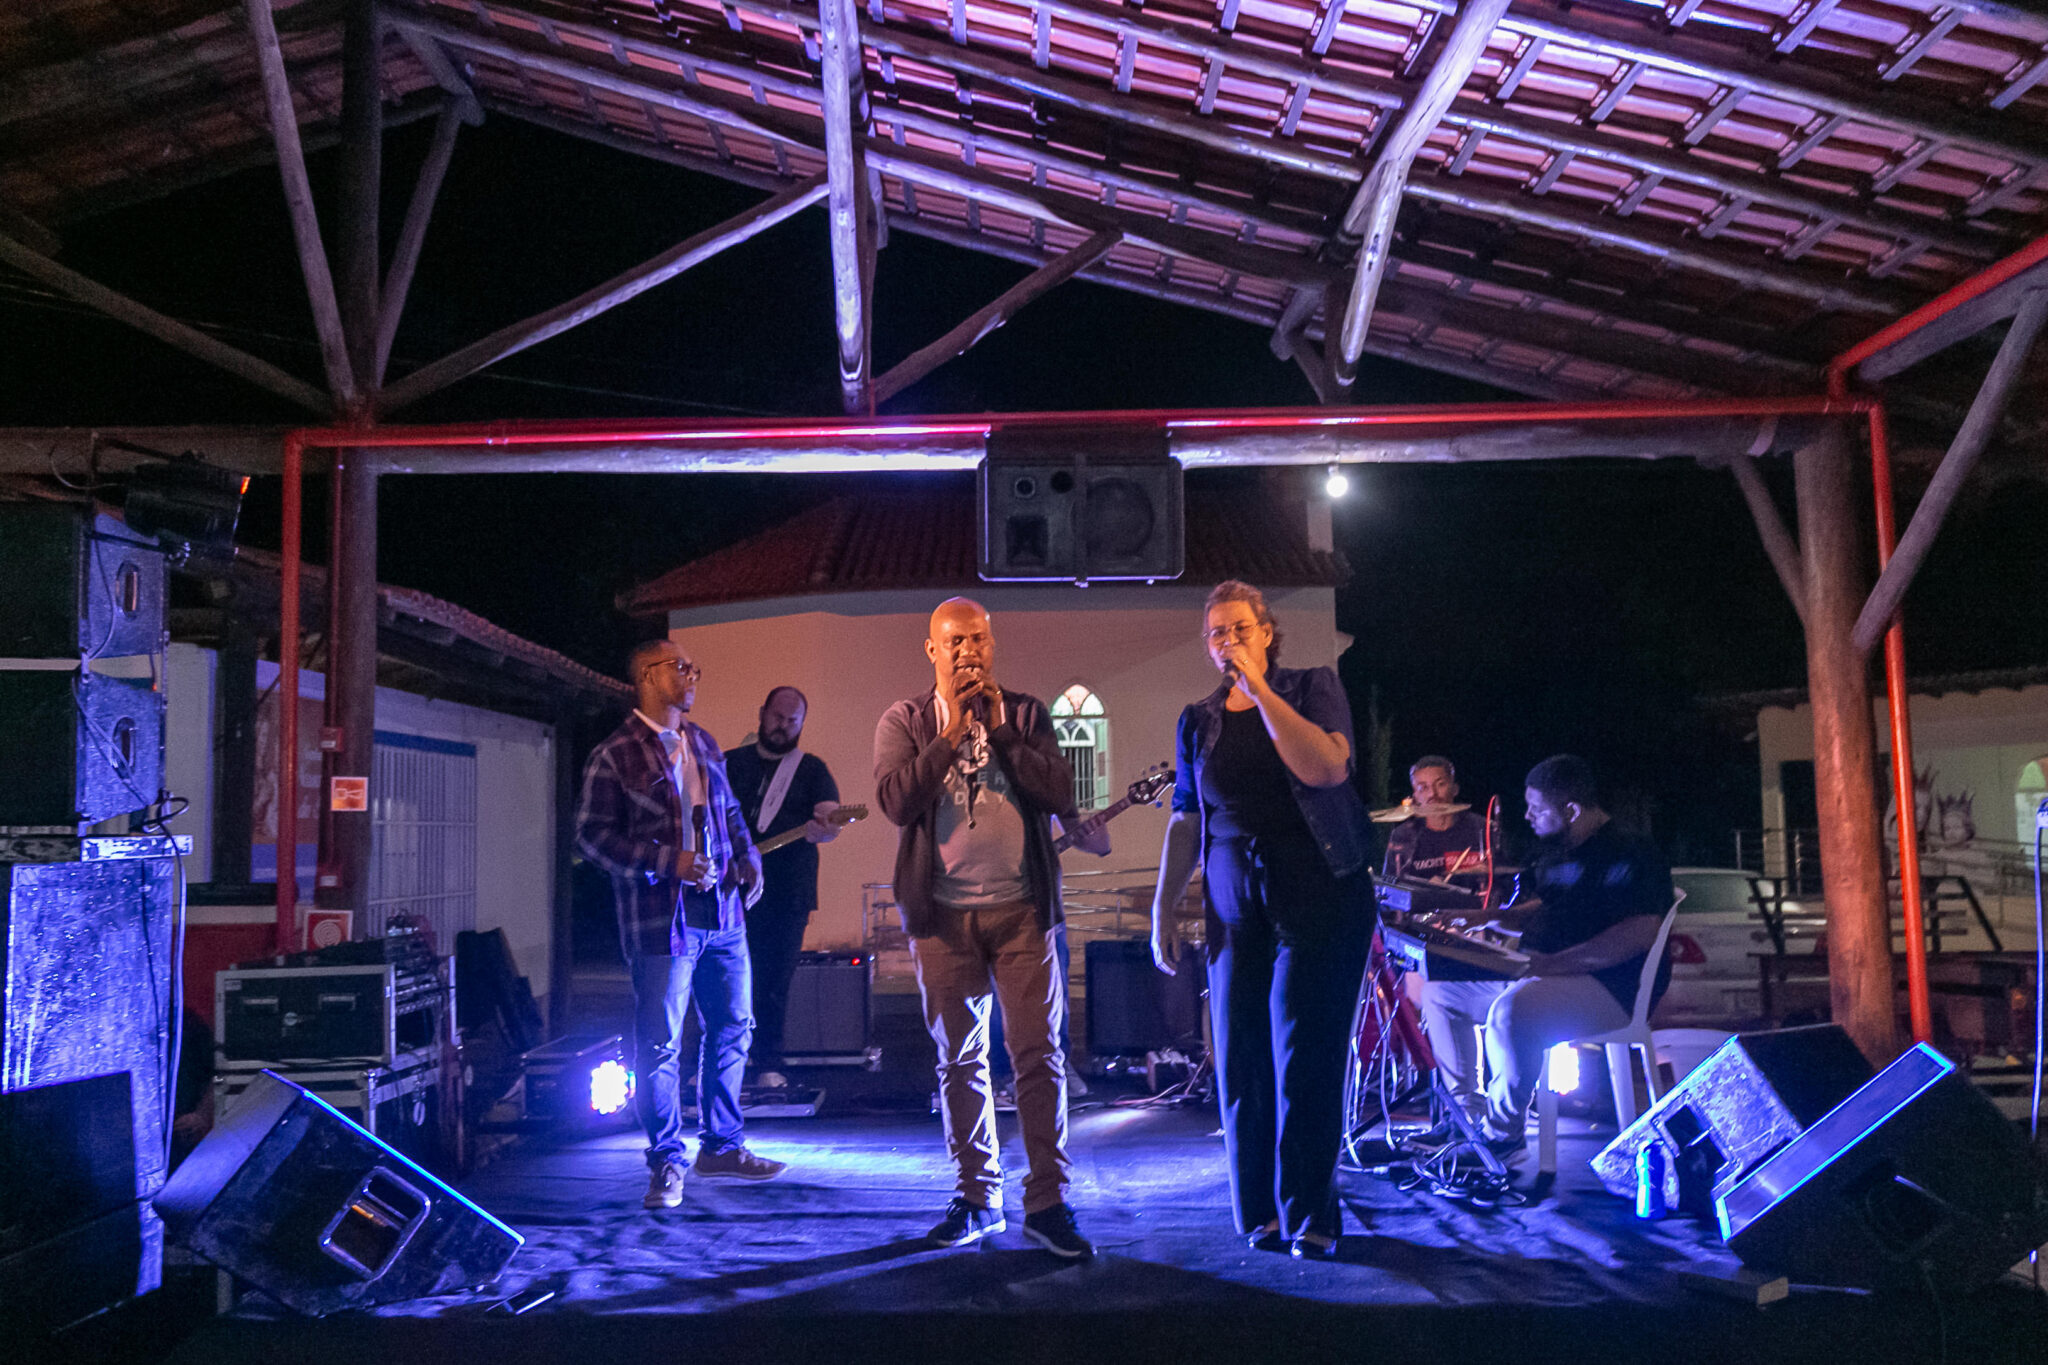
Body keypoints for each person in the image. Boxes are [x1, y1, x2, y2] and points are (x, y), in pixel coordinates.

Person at [1148, 580, 1374, 1260]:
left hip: (1316, 889)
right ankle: (1259, 1212)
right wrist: (1165, 902)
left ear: (1267, 632)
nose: (1228, 642)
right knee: (1243, 1055)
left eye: (1240, 629)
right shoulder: (1199, 718)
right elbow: (1187, 816)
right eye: (1217, 633)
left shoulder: (1310, 687)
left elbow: (1328, 767)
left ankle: (1310, 1211)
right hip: (1231, 899)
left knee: (1303, 1051)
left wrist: (1261, 692)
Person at [874, 597, 1095, 1258]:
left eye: (977, 638)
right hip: (941, 916)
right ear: (932, 650)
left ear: (991, 644)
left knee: (1038, 1055)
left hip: (1022, 909)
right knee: (960, 1058)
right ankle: (977, 1196)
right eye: (955, 641)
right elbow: (894, 799)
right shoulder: (906, 719)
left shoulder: (1025, 712)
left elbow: (1060, 791)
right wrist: (950, 734)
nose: (968, 650)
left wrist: (998, 731)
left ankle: (1048, 1201)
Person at [576, 637, 785, 1211]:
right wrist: (669, 861)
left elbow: (731, 811)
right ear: (647, 675)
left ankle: (721, 1147)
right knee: (663, 1042)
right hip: (659, 920)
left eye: (694, 666)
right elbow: (591, 838)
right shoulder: (615, 753)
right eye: (680, 667)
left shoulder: (703, 741)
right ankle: (667, 1162)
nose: (693, 675)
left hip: (722, 913)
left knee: (734, 1027)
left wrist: (748, 855)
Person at [1424, 754, 1674, 1156]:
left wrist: (1552, 964)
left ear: (1571, 810)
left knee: (1512, 1011)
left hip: (1609, 990)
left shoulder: (1631, 852)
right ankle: (1466, 1118)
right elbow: (1540, 911)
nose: (1527, 816)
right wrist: (1477, 919)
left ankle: (1501, 1137)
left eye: (1537, 808)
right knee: (1440, 996)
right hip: (1546, 979)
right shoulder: (1558, 853)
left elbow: (1639, 933)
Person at [725, 686, 842, 1088]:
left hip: (788, 894)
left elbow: (831, 822)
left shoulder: (811, 769)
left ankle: (768, 1062)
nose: (783, 726)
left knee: (774, 980)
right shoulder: (729, 763)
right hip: (730, 889)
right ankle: (722, 1062)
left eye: (793, 720)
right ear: (762, 713)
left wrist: (824, 829)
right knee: (726, 980)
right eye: (778, 716)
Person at [1382, 756, 1488, 890]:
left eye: (1440, 784)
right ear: (1416, 796)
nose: (1433, 794)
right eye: (1423, 788)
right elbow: (1389, 890)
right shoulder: (1404, 835)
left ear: (1455, 789)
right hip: (1424, 909)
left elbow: (1507, 881)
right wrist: (1425, 890)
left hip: (1473, 909)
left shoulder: (1480, 828)